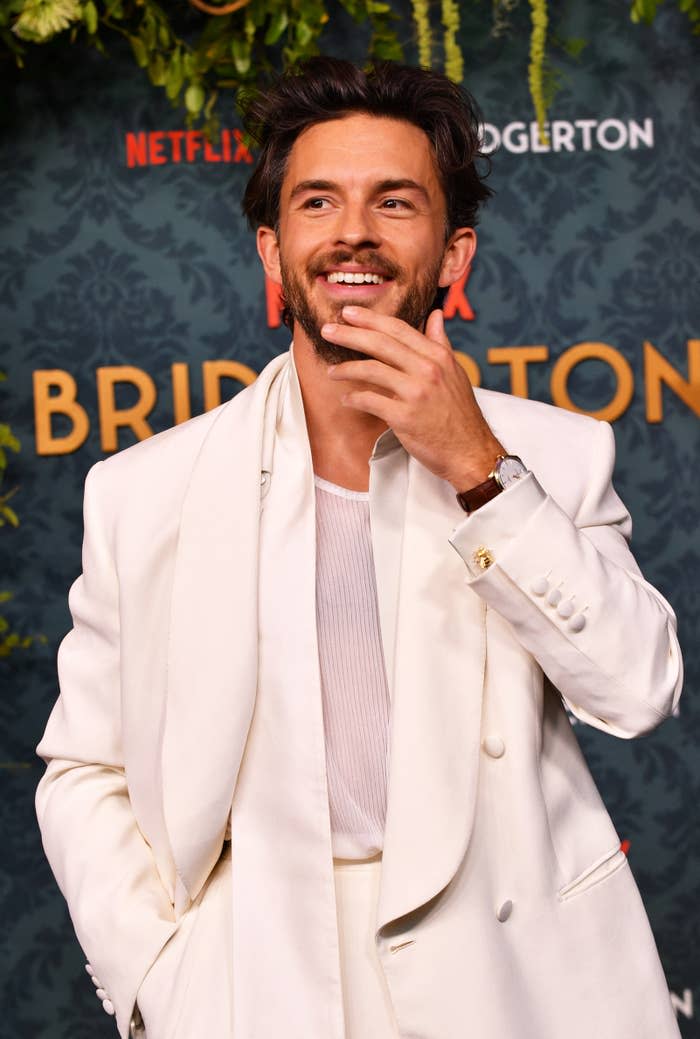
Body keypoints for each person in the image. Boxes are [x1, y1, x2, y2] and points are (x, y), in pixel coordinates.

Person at [36, 58, 683, 1039]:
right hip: (263, 978)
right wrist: (158, 972)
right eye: (316, 201)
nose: (353, 233)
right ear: (271, 248)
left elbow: (636, 691)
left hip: (515, 982)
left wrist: (478, 469)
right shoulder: (143, 492)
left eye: (394, 201)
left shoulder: (552, 453)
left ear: (453, 255)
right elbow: (84, 769)